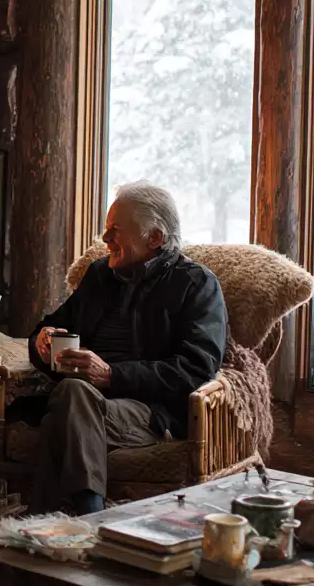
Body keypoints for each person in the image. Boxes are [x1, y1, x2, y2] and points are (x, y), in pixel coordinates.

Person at [27, 181, 227, 515]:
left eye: (114, 231)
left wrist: (111, 375)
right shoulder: (99, 275)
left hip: (150, 412)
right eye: (106, 230)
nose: (104, 240)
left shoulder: (197, 285)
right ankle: (70, 524)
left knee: (69, 400)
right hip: (81, 403)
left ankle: (78, 519)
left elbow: (196, 368)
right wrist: (42, 340)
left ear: (155, 238)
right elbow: (51, 328)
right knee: (68, 403)